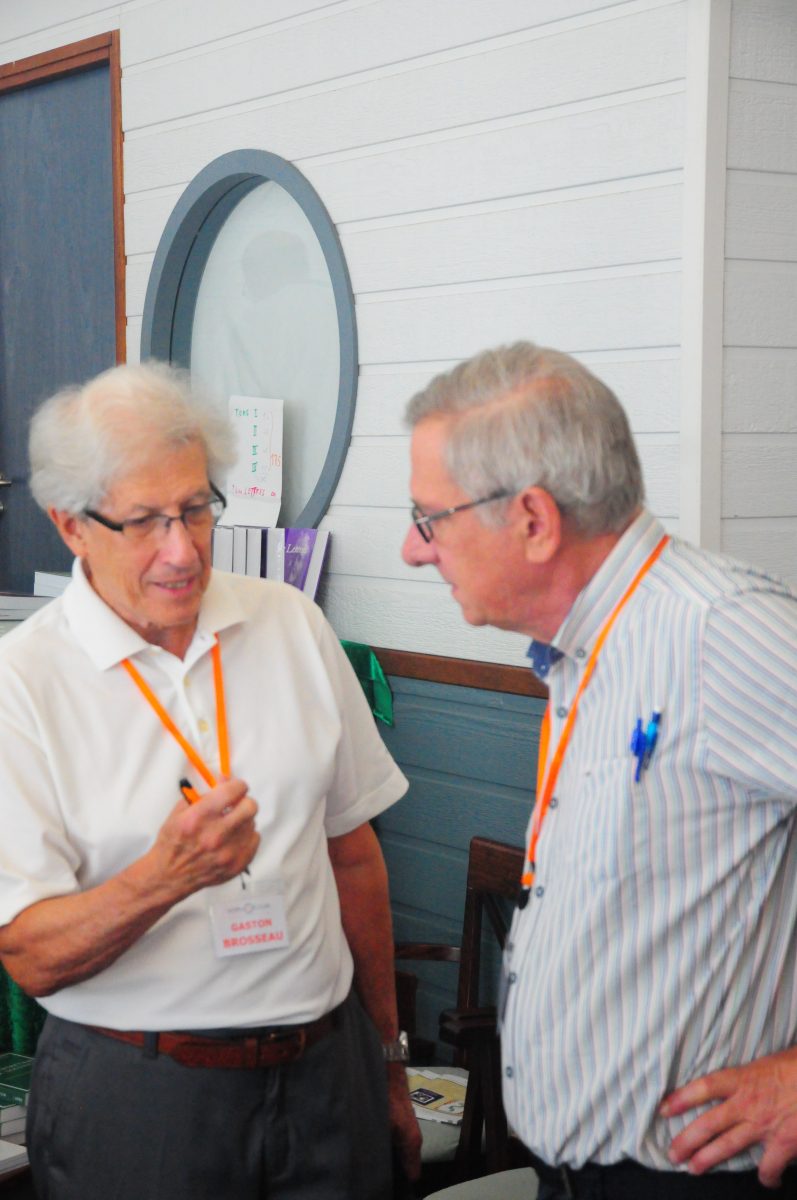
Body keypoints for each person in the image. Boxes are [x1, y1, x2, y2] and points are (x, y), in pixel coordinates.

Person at [0, 361, 421, 1200]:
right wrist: (168, 877)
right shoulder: (23, 683)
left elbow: (352, 857)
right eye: (145, 521)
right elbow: (31, 956)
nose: (183, 549)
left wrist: (387, 1059)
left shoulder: (290, 622)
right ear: (70, 525)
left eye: (196, 508)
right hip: (141, 1098)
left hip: (326, 1075)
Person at [401, 341, 797, 1198]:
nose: (412, 549)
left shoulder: (716, 630)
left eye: (429, 518)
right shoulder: (583, 647)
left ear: (533, 521)